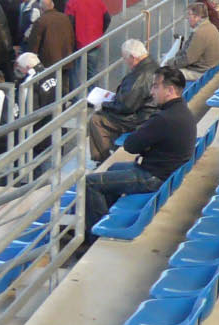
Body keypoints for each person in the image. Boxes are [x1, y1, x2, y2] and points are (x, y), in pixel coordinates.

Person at [83, 65, 196, 231]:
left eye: (155, 86)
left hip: (152, 177)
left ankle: (95, 232)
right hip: (165, 172)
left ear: (170, 90)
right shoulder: (182, 111)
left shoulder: (164, 119)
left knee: (89, 183)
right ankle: (108, 217)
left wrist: (143, 139)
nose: (152, 92)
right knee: (114, 168)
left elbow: (130, 145)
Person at [89, 39, 158, 160]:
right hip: (149, 112)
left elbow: (126, 106)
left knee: (97, 120)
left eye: (125, 58)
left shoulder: (139, 76)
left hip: (140, 118)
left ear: (133, 57)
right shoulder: (152, 63)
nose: (125, 62)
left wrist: (104, 104)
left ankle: (102, 159)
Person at [67, 0, 108, 79]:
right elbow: (107, 19)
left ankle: (76, 90)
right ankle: (94, 89)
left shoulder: (72, 3)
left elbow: (69, 23)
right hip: (94, 42)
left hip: (78, 44)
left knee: (75, 73)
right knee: (93, 72)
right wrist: (100, 32)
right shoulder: (98, 2)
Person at [28, 0, 76, 73]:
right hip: (66, 58)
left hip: (49, 62)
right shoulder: (65, 17)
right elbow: (72, 37)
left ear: (41, 8)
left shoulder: (40, 21)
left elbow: (34, 42)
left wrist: (32, 58)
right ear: (53, 5)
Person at [180, 2, 219, 74]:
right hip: (211, 69)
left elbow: (188, 59)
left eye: (189, 14)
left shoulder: (200, 32)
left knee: (169, 74)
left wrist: (170, 63)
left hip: (203, 72)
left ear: (197, 17)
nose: (187, 18)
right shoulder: (209, 26)